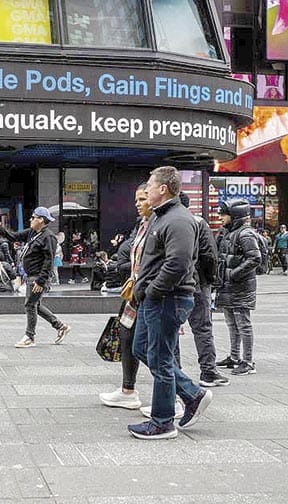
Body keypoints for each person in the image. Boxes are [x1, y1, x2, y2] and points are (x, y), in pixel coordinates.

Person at [129, 166, 212, 440]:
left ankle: (163, 422)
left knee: (161, 360)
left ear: (163, 188)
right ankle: (191, 392)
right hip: (154, 299)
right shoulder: (160, 217)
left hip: (167, 299)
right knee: (142, 348)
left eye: (150, 186)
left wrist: (152, 291)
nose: (147, 191)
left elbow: (178, 263)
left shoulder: (177, 219)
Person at [99, 184, 150, 410]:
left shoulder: (166, 222)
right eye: (136, 199)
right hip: (134, 292)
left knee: (157, 348)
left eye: (142, 198)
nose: (137, 204)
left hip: (153, 295)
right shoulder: (143, 224)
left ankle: (184, 394)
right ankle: (127, 390)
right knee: (128, 338)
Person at [0, 206, 71, 348]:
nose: (31, 219)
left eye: (33, 217)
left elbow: (49, 260)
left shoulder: (48, 237)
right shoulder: (32, 232)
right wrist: (0, 229)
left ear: (41, 220)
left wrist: (41, 281)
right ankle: (61, 326)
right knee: (36, 305)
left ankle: (30, 336)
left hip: (38, 277)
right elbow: (14, 236)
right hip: (31, 276)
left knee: (30, 304)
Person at [177, 192, 230, 387]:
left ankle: (176, 372)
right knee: (203, 327)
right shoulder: (199, 223)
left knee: (172, 330)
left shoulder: (164, 221)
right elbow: (210, 255)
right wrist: (210, 280)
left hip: (175, 284)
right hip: (198, 283)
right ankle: (208, 371)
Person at [215, 199, 261, 376]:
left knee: (243, 324)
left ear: (234, 216)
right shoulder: (229, 232)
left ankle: (248, 362)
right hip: (230, 286)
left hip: (240, 286)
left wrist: (233, 274)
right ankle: (234, 357)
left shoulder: (245, 234)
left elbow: (254, 258)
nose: (220, 217)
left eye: (224, 214)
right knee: (232, 323)